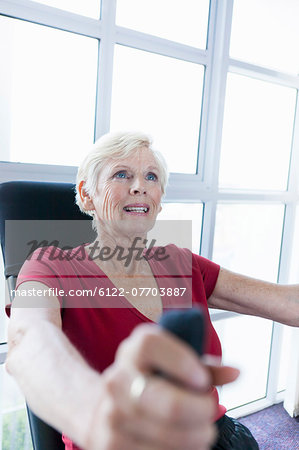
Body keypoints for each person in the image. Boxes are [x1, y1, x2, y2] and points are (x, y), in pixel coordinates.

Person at [5, 131, 299, 450]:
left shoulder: (181, 263)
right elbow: (28, 338)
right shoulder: (51, 265)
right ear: (87, 194)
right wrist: (93, 413)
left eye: (151, 176)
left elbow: (287, 301)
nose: (139, 186)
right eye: (122, 174)